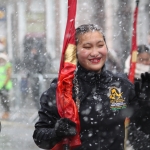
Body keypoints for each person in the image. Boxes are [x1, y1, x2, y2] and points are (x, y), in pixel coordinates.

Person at [33, 24, 150, 150]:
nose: (95, 53)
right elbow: (40, 138)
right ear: (74, 52)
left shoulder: (121, 84)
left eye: (100, 45)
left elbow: (142, 128)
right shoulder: (62, 88)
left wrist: (145, 105)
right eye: (87, 47)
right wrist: (57, 133)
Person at [0, 53, 12, 119]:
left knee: (5, 100)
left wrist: (4, 84)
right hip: (0, 86)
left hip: (5, 86)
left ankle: (6, 113)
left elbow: (8, 75)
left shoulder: (7, 65)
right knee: (3, 100)